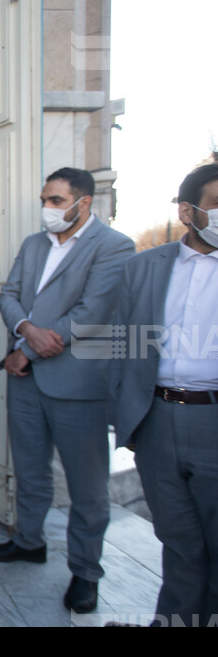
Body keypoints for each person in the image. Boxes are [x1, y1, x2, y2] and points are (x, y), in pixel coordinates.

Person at [0, 167, 135, 614]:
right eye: (45, 200)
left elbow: (93, 311)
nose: (47, 209)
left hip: (77, 385)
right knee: (30, 472)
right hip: (27, 381)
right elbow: (9, 296)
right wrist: (26, 329)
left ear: (83, 203)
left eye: (55, 200)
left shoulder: (114, 246)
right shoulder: (33, 245)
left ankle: (86, 572)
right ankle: (29, 541)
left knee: (87, 489)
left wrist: (25, 351)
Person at [111, 163, 218, 627]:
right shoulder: (142, 267)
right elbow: (120, 344)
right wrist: (131, 417)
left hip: (212, 420)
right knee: (178, 542)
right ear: (188, 211)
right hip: (156, 419)